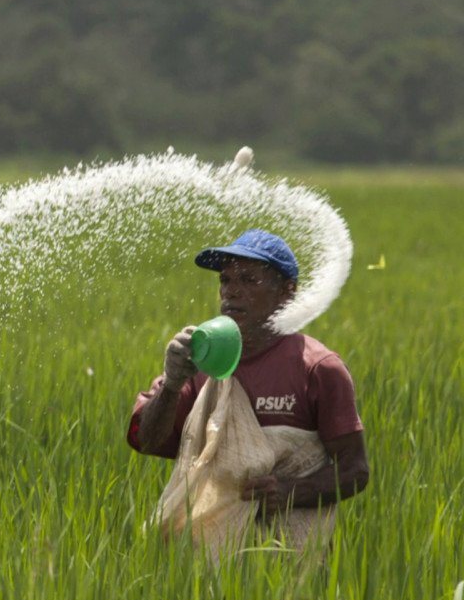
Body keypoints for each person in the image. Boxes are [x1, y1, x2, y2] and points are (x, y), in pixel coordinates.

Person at [128, 229, 369, 554]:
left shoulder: (318, 368)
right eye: (225, 280)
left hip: (291, 559)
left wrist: (290, 491)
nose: (231, 292)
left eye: (248, 280)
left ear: (287, 292)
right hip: (205, 562)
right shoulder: (200, 361)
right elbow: (148, 440)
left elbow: (355, 470)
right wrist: (171, 384)